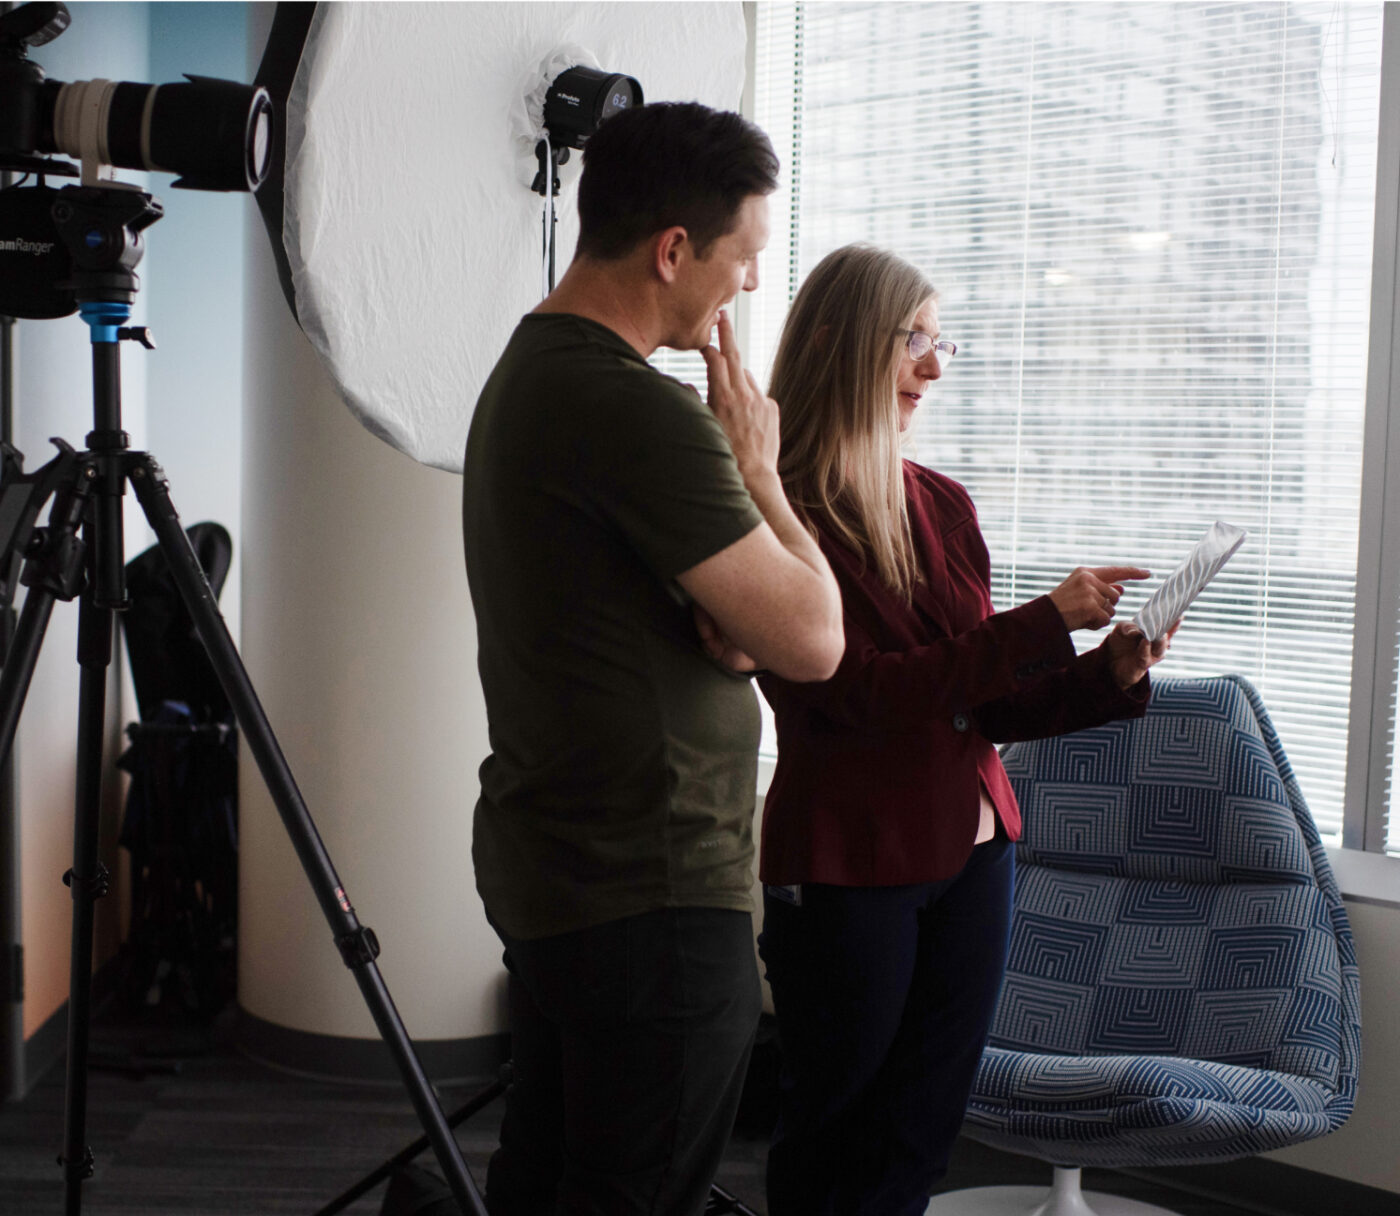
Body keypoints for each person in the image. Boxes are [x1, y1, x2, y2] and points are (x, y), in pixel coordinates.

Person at [460, 101, 844, 1216]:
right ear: (673, 248)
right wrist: (761, 471)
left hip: (563, 870)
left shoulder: (532, 370)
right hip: (652, 892)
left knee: (548, 1182)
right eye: (744, 257)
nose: (751, 286)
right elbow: (812, 641)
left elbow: (725, 628)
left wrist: (730, 627)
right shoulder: (635, 411)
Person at [752, 244, 1174, 1216]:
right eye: (913, 341)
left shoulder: (940, 503)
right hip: (851, 862)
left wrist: (1103, 671)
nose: (934, 368)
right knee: (834, 1127)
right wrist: (1039, 624)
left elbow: (979, 704)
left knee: (922, 1126)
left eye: (942, 344)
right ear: (835, 342)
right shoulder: (781, 511)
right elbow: (851, 692)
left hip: (975, 855)